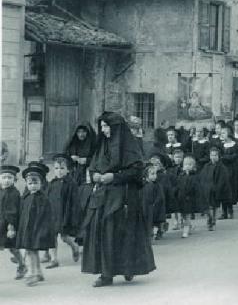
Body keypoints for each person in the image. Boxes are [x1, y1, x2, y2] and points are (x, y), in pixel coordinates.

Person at [82, 112, 155, 287]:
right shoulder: (102, 146)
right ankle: (106, 274)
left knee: (122, 233)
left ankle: (128, 267)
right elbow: (92, 166)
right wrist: (95, 175)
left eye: (106, 127)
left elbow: (136, 171)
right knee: (104, 233)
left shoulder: (130, 147)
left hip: (124, 198)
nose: (103, 130)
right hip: (103, 197)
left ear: (115, 128)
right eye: (101, 127)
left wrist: (113, 177)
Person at [16, 163, 55, 286]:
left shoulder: (43, 199)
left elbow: (46, 217)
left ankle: (33, 274)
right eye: (30, 183)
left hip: (37, 231)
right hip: (27, 231)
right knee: (32, 252)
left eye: (35, 183)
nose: (33, 186)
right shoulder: (26, 197)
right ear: (27, 184)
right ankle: (38, 272)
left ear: (41, 183)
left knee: (31, 252)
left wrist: (43, 231)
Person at [45, 154, 80, 269]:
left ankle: (74, 246)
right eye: (56, 168)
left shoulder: (71, 184)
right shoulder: (52, 183)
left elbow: (74, 202)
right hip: (52, 214)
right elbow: (47, 198)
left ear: (68, 169)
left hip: (65, 214)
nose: (59, 171)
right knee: (52, 237)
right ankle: (54, 259)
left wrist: (72, 217)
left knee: (65, 237)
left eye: (62, 168)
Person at [0, 165, 26, 280]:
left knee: (13, 247)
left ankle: (22, 265)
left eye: (9, 177)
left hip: (9, 225)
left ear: (14, 180)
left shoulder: (13, 194)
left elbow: (12, 212)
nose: (6, 180)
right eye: (4, 177)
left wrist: (11, 227)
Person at [197, 146, 231, 231]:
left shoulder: (222, 167)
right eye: (212, 155)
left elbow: (223, 180)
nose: (213, 157)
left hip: (215, 190)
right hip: (206, 190)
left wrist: (217, 188)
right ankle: (210, 218)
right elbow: (202, 177)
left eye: (215, 155)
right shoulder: (206, 166)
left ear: (219, 156)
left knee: (214, 206)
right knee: (208, 207)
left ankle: (213, 221)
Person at [175, 155, 200, 238]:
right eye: (185, 164)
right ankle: (189, 226)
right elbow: (178, 186)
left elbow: (195, 187)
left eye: (189, 164)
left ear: (193, 166)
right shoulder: (181, 176)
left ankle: (185, 230)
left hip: (189, 198)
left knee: (187, 214)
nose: (187, 166)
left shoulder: (194, 176)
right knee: (183, 215)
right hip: (181, 198)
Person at [219, 125, 238, 219]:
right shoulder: (220, 144)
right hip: (222, 169)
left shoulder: (234, 144)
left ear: (229, 133)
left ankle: (230, 210)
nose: (221, 134)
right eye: (221, 133)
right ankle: (224, 212)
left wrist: (224, 158)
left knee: (229, 190)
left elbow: (234, 156)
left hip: (231, 170)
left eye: (224, 133)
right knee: (223, 190)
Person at [142, 164, 166, 240]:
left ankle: (158, 232)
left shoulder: (157, 185)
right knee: (148, 221)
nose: (155, 176)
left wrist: (156, 202)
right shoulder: (144, 185)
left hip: (155, 205)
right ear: (146, 175)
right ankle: (149, 234)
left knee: (155, 221)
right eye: (152, 174)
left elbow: (160, 195)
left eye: (155, 174)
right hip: (146, 206)